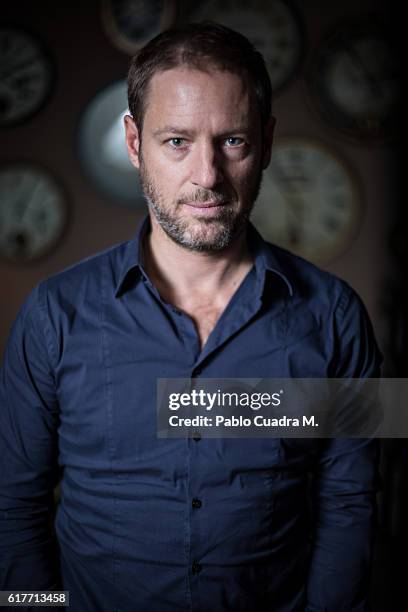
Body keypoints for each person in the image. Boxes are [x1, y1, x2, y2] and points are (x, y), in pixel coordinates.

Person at [0, 21, 382, 612]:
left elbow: (351, 500)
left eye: (232, 141)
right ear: (134, 144)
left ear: (268, 142)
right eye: (177, 141)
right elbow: (12, 506)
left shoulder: (336, 318)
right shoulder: (53, 315)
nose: (206, 176)